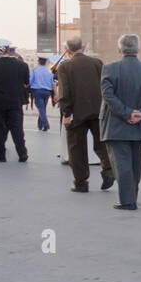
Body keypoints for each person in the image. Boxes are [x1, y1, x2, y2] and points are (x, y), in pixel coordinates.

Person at [99, 33, 141, 211]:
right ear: (138, 49)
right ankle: (131, 194)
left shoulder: (110, 69)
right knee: (135, 162)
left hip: (116, 124)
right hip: (139, 124)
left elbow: (108, 96)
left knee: (121, 163)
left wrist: (127, 113)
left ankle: (127, 200)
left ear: (120, 49)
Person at [56, 37, 115, 193]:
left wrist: (66, 113)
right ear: (84, 47)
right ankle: (108, 169)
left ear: (68, 50)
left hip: (77, 112)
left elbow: (64, 93)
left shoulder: (65, 67)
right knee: (101, 143)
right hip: (98, 110)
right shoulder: (97, 63)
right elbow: (105, 86)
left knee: (76, 149)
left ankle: (81, 183)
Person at [0, 41, 30, 162]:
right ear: (9, 50)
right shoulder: (22, 65)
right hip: (15, 100)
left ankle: (1, 155)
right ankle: (22, 153)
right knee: (17, 128)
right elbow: (26, 82)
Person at [30, 57, 54, 131]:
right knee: (43, 108)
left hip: (37, 91)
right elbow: (52, 84)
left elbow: (30, 81)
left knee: (41, 109)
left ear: (38, 62)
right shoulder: (49, 72)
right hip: (47, 92)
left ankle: (46, 124)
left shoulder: (34, 71)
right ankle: (40, 125)